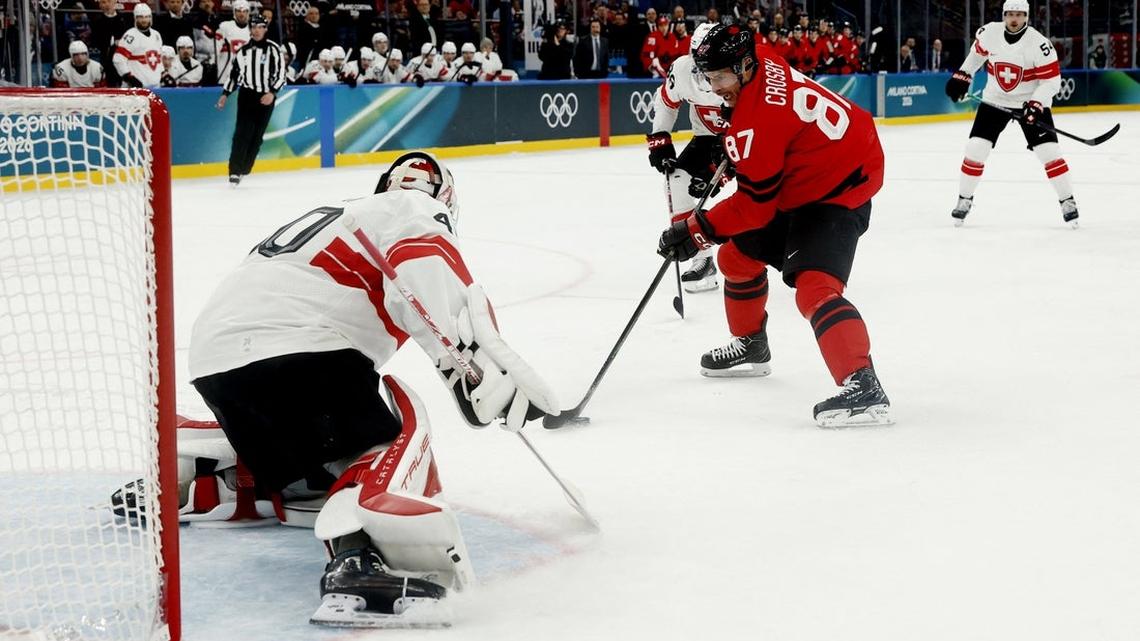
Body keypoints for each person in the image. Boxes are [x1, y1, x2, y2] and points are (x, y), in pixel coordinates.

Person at [182, 151, 557, 627]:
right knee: (392, 441)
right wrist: (483, 375)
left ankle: (229, 478)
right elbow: (427, 281)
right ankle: (362, 557)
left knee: (314, 430)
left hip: (216, 364)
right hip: (297, 350)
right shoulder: (412, 208)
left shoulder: (347, 213)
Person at [657, 24, 891, 427]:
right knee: (735, 259)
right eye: (709, 78)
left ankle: (862, 384)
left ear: (744, 65)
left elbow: (755, 207)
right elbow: (768, 135)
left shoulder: (755, 120)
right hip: (812, 168)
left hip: (839, 185)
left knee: (815, 288)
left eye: (721, 78)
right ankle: (751, 344)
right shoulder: (762, 56)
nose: (715, 88)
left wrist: (697, 229)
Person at [944, 0, 1076, 227]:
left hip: (1029, 101)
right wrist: (963, 76)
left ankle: (1068, 201)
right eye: (1010, 14)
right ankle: (964, 199)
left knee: (1049, 152)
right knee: (975, 148)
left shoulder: (1039, 44)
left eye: (1019, 14)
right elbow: (976, 56)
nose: (1014, 19)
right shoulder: (989, 33)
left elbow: (1051, 82)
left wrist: (1035, 104)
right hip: (995, 100)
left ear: (1026, 17)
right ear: (1004, 15)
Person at [645, 22, 726, 293]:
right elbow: (666, 103)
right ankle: (703, 261)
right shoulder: (681, 69)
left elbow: (758, 128)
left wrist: (720, 171)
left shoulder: (739, 73)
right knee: (677, 179)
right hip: (706, 137)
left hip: (748, 139)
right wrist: (661, 140)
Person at [216, 14, 285, 186]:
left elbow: (281, 75)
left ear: (265, 29)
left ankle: (244, 168)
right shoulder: (243, 51)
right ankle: (235, 170)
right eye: (253, 27)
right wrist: (225, 94)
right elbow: (234, 75)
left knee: (257, 136)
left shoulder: (274, 50)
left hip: (266, 97)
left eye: (259, 27)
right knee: (242, 133)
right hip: (247, 95)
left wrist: (272, 93)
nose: (256, 30)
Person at [114, 3, 164, 88]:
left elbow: (159, 58)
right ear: (135, 18)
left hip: (156, 87)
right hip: (135, 88)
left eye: (147, 17)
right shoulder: (130, 36)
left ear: (150, 17)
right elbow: (118, 59)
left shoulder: (156, 35)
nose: (144, 20)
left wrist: (163, 74)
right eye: (140, 17)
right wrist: (129, 77)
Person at [90, 0, 130, 85]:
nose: (104, 5)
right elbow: (94, 40)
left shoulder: (123, 18)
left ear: (114, 2)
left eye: (107, 2)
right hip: (105, 57)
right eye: (102, 2)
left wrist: (120, 42)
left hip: (121, 56)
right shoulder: (97, 20)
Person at [214, 0, 250, 85]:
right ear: (234, 12)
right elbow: (215, 50)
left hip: (244, 80)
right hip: (224, 77)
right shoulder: (224, 26)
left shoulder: (252, 30)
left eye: (244, 11)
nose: (241, 14)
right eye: (238, 11)